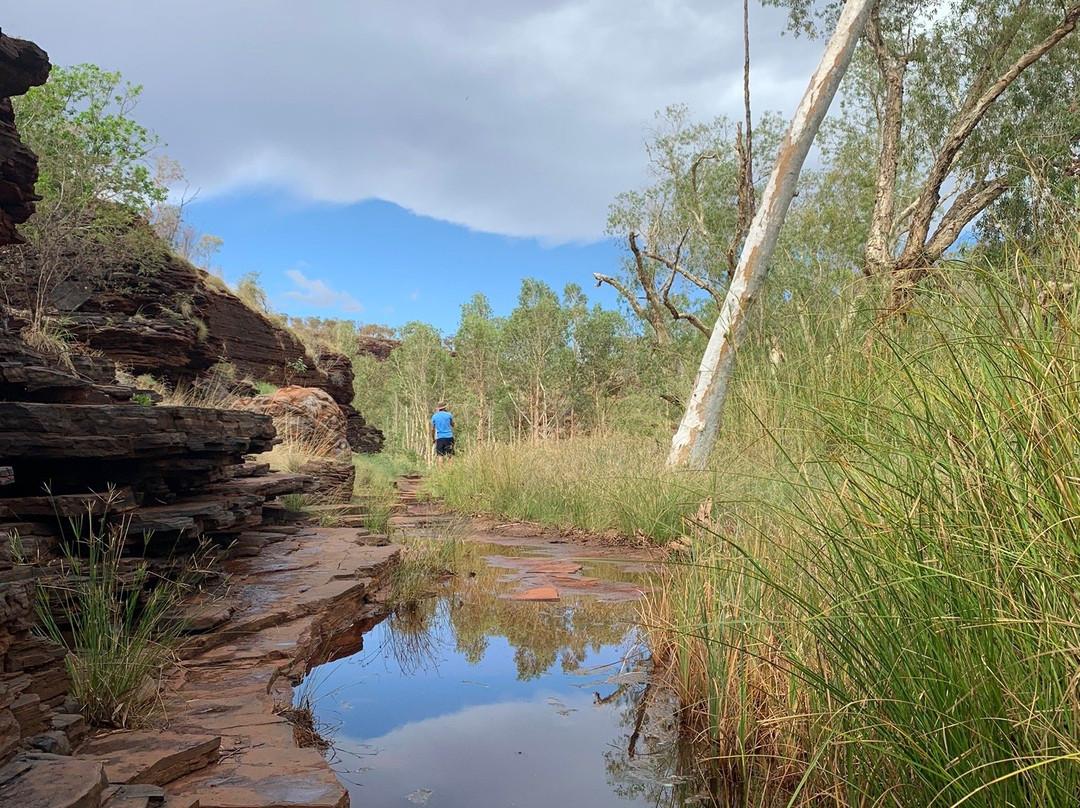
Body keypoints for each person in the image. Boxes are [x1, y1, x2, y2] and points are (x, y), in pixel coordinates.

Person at [430, 401, 455, 466]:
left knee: (440, 455)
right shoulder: (449, 415)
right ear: (445, 407)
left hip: (440, 437)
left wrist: (433, 438)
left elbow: (432, 429)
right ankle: (450, 470)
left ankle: (441, 472)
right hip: (449, 436)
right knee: (450, 454)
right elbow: (453, 424)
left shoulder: (434, 416)